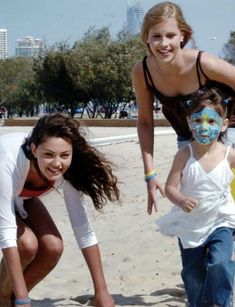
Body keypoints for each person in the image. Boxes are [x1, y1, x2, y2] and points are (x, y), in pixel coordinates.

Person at [0, 113, 120, 307]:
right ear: (33, 149)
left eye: (65, 155)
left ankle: (12, 297)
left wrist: (102, 292)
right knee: (27, 244)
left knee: (53, 247)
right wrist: (23, 299)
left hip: (21, 197)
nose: (57, 164)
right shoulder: (9, 161)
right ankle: (6, 298)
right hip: (4, 190)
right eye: (48, 155)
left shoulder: (68, 171)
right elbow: (6, 235)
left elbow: (83, 229)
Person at [132, 1, 235, 214]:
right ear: (146, 38)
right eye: (156, 36)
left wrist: (229, 115)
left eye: (170, 35)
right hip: (188, 139)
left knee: (228, 203)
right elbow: (144, 122)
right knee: (195, 207)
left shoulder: (203, 63)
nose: (163, 43)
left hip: (228, 133)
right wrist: (149, 174)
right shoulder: (143, 72)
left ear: (182, 35)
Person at [156, 88, 235, 306]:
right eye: (198, 120)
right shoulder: (184, 154)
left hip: (222, 220)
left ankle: (221, 302)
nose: (204, 126)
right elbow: (171, 187)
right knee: (193, 273)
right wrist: (180, 200)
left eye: (212, 121)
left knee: (220, 263)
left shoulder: (229, 155)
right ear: (189, 122)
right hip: (190, 224)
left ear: (224, 124)